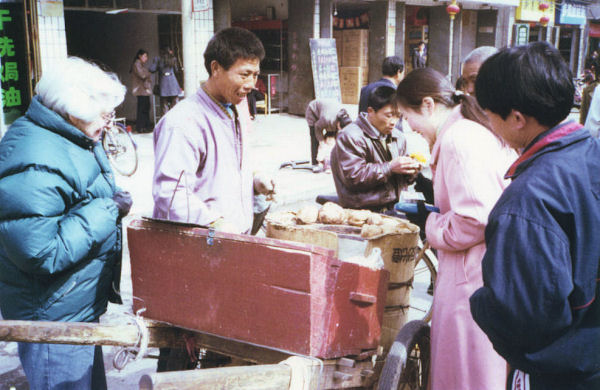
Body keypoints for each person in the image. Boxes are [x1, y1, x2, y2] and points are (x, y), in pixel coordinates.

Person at [470, 41, 600, 390]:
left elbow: (524, 318)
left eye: (490, 115)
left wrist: (480, 303)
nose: (489, 124)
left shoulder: (528, 200)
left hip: (562, 373)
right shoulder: (591, 152)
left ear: (516, 118)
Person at [0, 57, 131, 390]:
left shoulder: (72, 136)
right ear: (73, 109)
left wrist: (108, 206)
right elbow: (40, 250)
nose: (109, 121)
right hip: (51, 319)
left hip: (74, 305)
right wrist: (107, 211)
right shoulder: (36, 155)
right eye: (104, 114)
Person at [152, 27, 274, 370]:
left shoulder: (232, 109)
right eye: (244, 74)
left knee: (224, 345)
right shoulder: (184, 122)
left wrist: (255, 182)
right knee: (182, 348)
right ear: (216, 68)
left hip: (227, 250)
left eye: (256, 75)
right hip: (195, 256)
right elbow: (170, 193)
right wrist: (215, 222)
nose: (252, 84)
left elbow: (221, 173)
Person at [396, 68, 516, 390]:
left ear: (428, 105)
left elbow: (475, 218)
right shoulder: (468, 130)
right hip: (480, 273)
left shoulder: (458, 139)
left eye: (409, 118)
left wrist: (430, 224)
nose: (411, 129)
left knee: (467, 375)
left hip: (471, 280)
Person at [330, 86, 420, 211]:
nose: (393, 122)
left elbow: (402, 180)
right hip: (364, 210)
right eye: (388, 115)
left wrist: (411, 171)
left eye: (398, 116)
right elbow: (354, 176)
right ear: (371, 111)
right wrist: (390, 167)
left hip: (395, 207)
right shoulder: (350, 136)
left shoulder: (398, 137)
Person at [305, 99, 352, 171]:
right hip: (313, 110)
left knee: (332, 139)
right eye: (340, 128)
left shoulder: (345, 117)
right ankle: (315, 163)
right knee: (315, 138)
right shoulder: (327, 119)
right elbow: (317, 127)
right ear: (338, 123)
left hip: (327, 111)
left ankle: (330, 160)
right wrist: (321, 142)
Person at [149, 46, 182, 117]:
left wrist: (155, 62)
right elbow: (176, 70)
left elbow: (151, 69)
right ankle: (176, 121)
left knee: (164, 107)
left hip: (163, 85)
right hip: (173, 84)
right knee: (175, 106)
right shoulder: (173, 59)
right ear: (170, 51)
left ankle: (166, 123)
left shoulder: (158, 59)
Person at [130, 48, 152, 132]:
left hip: (144, 90)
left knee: (145, 108)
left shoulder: (141, 65)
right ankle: (141, 127)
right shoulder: (136, 64)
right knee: (142, 109)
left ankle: (145, 127)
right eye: (145, 56)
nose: (146, 58)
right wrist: (148, 72)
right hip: (141, 90)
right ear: (140, 56)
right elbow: (142, 75)